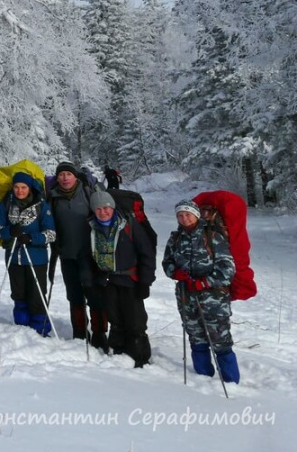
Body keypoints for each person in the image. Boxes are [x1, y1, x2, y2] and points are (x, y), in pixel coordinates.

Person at [163, 200, 239, 383]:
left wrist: (204, 282)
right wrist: (176, 273)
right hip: (186, 296)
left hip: (213, 298)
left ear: (196, 215)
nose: (184, 218)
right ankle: (203, 378)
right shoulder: (175, 238)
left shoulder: (212, 237)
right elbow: (167, 263)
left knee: (220, 340)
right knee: (196, 337)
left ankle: (231, 382)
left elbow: (227, 269)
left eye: (188, 214)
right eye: (180, 215)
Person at [80, 191, 155, 367]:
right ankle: (119, 355)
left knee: (135, 321)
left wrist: (146, 281)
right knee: (115, 320)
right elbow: (85, 257)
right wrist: (89, 281)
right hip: (106, 281)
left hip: (131, 281)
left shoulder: (128, 224)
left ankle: (140, 358)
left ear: (112, 207)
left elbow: (146, 253)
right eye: (98, 209)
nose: (103, 212)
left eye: (106, 207)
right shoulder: (90, 228)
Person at [46, 161, 104, 344]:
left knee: (94, 293)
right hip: (66, 253)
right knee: (74, 294)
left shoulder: (88, 192)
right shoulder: (53, 196)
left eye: (68, 174)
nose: (64, 178)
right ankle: (79, 332)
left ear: (75, 176)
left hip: (90, 253)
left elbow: (103, 216)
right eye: (61, 175)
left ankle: (99, 333)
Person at [0, 172, 56, 336]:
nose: (19, 191)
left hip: (37, 259)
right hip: (14, 258)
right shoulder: (7, 202)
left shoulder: (41, 205)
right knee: (19, 295)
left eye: (23, 187)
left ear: (30, 188)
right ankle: (22, 329)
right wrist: (9, 231)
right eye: (16, 187)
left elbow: (51, 233)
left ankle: (40, 330)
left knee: (37, 296)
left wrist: (31, 238)